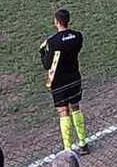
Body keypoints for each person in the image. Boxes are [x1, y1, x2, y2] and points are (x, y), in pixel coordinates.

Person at [39, 9, 89, 156]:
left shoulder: (52, 42)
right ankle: (83, 142)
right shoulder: (78, 36)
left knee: (63, 112)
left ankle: (67, 148)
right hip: (74, 77)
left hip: (59, 82)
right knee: (75, 108)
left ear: (56, 21)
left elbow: (47, 65)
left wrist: (42, 51)